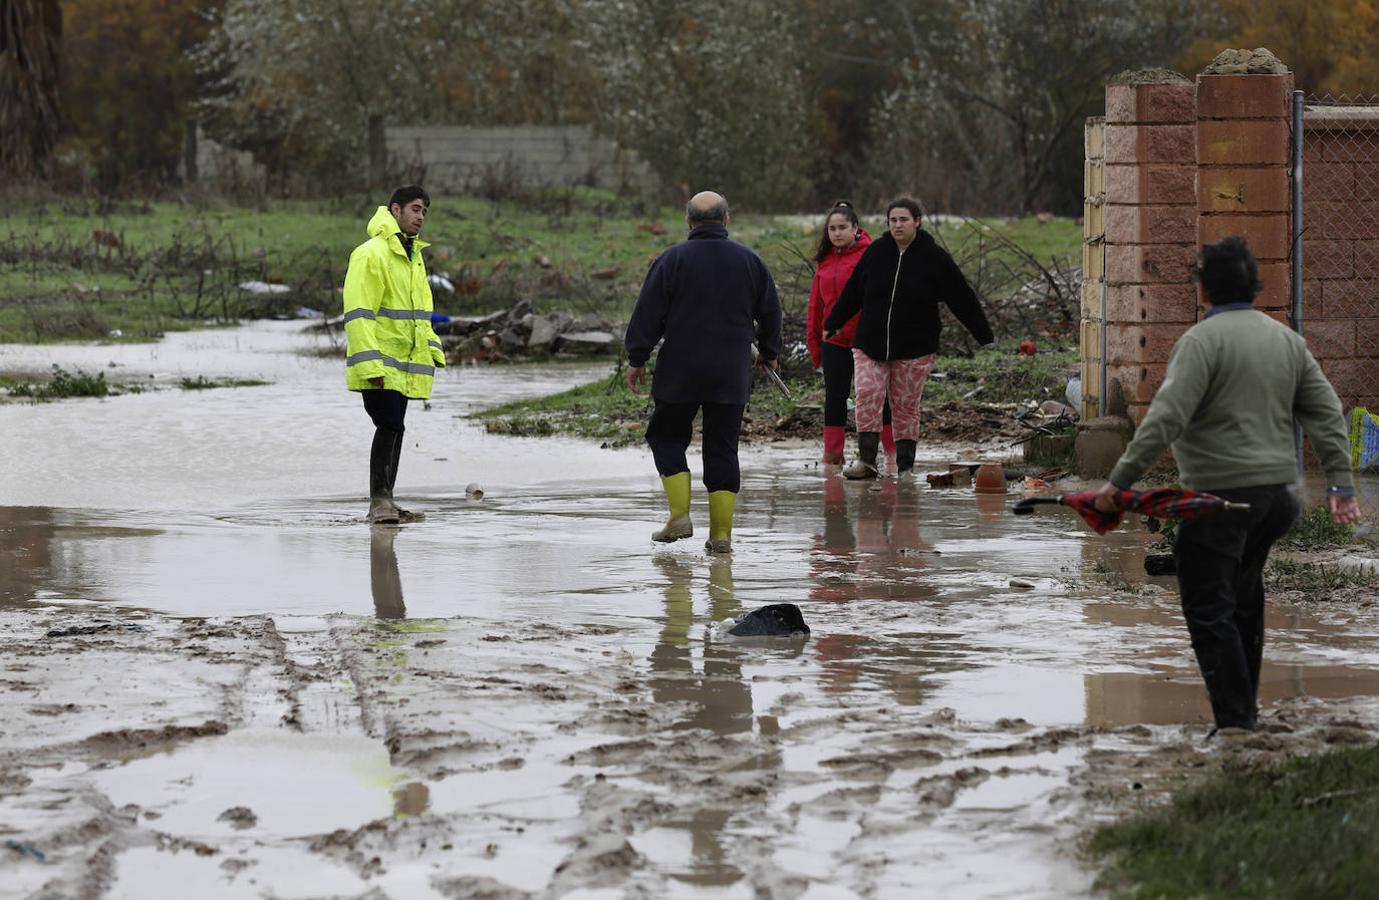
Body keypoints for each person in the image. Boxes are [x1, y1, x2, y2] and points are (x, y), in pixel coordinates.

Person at [1094, 237, 1361, 734]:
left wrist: (1117, 483)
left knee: (1208, 608)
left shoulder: (1201, 343)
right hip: (1279, 499)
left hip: (1218, 499)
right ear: (1254, 286)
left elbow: (1164, 421)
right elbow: (1325, 413)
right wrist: (1340, 485)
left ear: (1203, 288)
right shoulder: (1285, 339)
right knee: (1242, 597)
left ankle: (1237, 724)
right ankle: (1245, 714)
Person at [624, 191, 783, 554]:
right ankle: (721, 536)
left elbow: (647, 312)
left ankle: (680, 515)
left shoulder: (671, 260)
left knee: (666, 437)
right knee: (723, 449)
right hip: (730, 373)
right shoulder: (750, 261)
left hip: (680, 370)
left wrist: (637, 358)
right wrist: (770, 353)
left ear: (689, 221)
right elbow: (771, 312)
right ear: (726, 220)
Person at [824, 196, 993, 479]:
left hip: (915, 348)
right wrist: (833, 323)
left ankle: (905, 467)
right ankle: (867, 462)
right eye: (893, 220)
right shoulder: (877, 252)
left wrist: (984, 335)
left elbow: (961, 297)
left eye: (904, 220)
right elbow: (854, 292)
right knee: (867, 396)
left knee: (904, 406)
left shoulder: (934, 257)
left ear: (917, 221)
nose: (898, 225)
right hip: (870, 343)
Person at [343, 185, 447, 524]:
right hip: (379, 364)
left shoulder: (413, 256)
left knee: (396, 427)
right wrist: (371, 363)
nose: (420, 217)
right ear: (394, 210)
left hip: (404, 366)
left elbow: (420, 313)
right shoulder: (370, 254)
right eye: (415, 209)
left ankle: (387, 500)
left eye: (424, 212)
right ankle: (379, 503)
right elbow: (359, 314)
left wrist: (432, 350)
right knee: (389, 424)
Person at [805, 200, 895, 466]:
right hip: (834, 341)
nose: (837, 233)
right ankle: (832, 457)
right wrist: (814, 344)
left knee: (879, 397)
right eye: (832, 228)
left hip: (867, 340)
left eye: (842, 227)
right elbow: (816, 306)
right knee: (835, 396)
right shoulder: (825, 261)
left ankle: (892, 455)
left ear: (856, 228)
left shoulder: (872, 255)